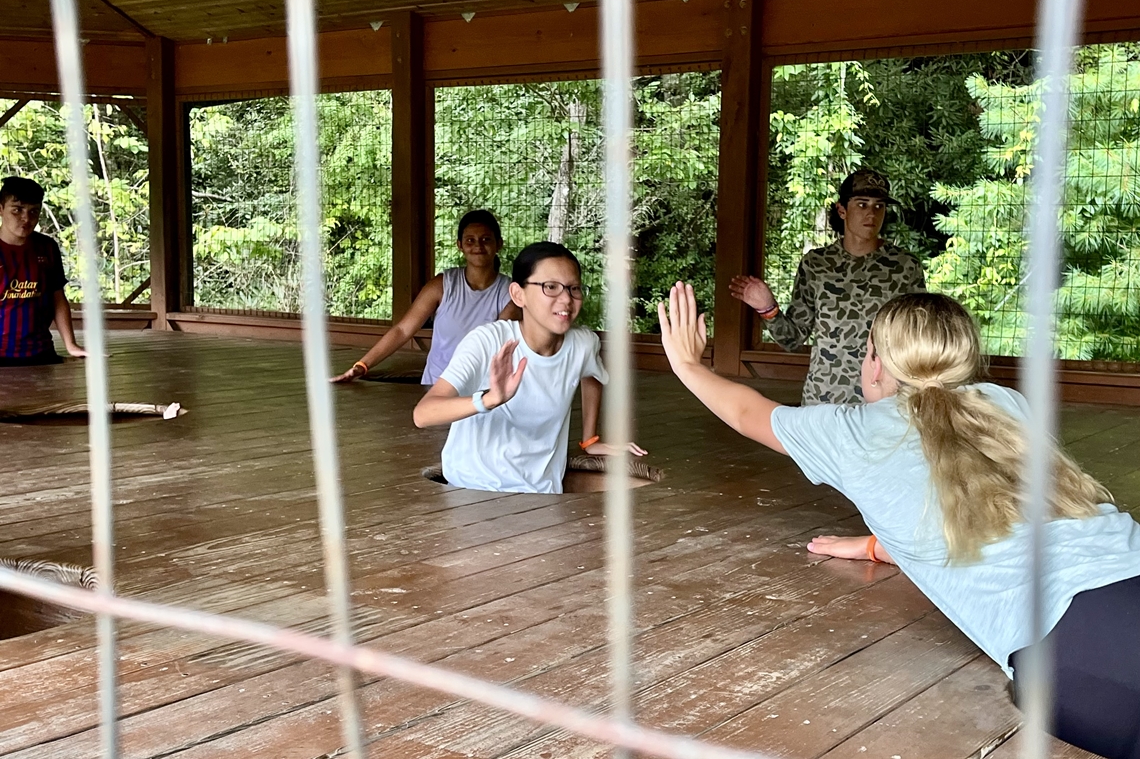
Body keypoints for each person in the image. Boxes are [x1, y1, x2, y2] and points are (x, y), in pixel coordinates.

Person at [658, 283, 1140, 759]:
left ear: (876, 364)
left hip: (1073, 642)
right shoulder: (1006, 405)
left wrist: (686, 365)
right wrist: (875, 545)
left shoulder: (851, 433)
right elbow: (985, 518)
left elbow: (747, 412)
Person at [413, 241, 645, 494]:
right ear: (518, 294)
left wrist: (590, 439)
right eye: (551, 287)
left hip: (541, 493)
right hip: (471, 488)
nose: (566, 299)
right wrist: (489, 399)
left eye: (574, 288)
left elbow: (593, 375)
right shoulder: (487, 341)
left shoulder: (583, 344)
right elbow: (423, 415)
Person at [730, 168, 925, 405]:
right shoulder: (816, 264)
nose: (871, 213)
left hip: (883, 402)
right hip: (823, 401)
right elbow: (793, 339)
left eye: (879, 206)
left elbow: (920, 340)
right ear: (842, 210)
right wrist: (767, 308)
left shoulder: (905, 267)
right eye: (862, 204)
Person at [332, 210, 519, 385]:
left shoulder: (510, 293)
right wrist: (362, 366)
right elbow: (403, 330)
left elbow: (494, 344)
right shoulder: (443, 284)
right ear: (460, 245)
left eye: (486, 239)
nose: (478, 246)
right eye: (470, 240)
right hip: (434, 387)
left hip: (481, 391)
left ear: (499, 244)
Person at [0, 176, 86, 365]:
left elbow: (57, 297)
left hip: (41, 352)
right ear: (1, 209)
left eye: (34, 211)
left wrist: (71, 345)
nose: (26, 218)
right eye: (17, 210)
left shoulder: (47, 247)